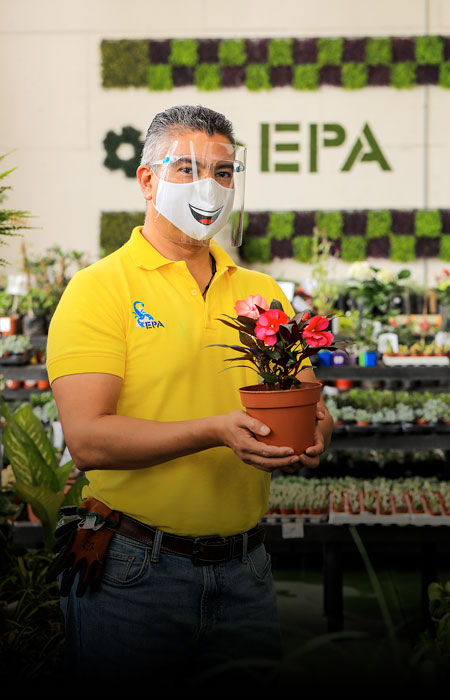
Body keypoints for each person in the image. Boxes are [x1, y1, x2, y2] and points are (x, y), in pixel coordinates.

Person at [46, 104, 333, 690]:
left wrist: (314, 435)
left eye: (223, 172)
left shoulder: (260, 291)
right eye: (187, 168)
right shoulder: (100, 289)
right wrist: (214, 431)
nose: (209, 186)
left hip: (247, 570)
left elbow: (311, 403)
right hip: (134, 570)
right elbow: (89, 439)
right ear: (147, 180)